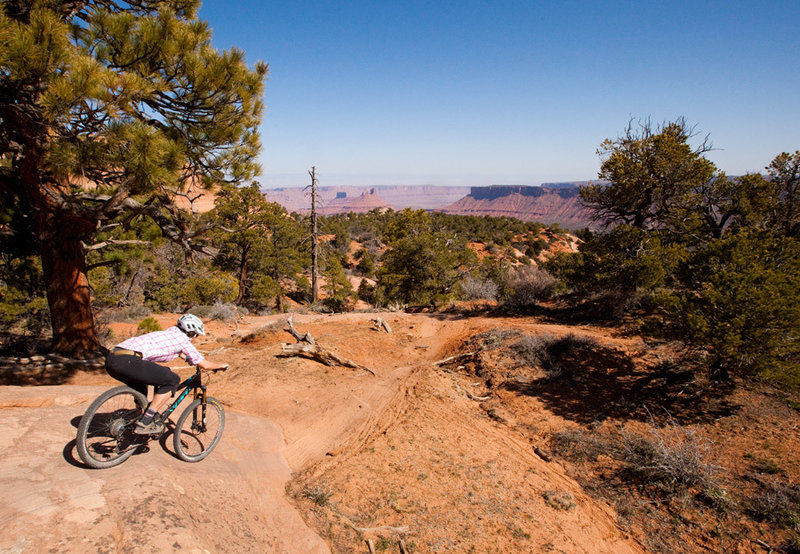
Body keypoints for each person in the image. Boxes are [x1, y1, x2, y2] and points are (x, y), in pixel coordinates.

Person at [105, 313, 228, 434]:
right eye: (195, 335)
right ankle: (145, 421)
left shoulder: (168, 334)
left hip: (112, 359)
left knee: (149, 381)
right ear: (191, 332)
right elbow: (204, 364)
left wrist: (187, 358)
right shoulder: (183, 340)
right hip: (128, 361)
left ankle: (139, 414)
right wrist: (221, 365)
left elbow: (176, 351)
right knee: (172, 380)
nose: (194, 337)